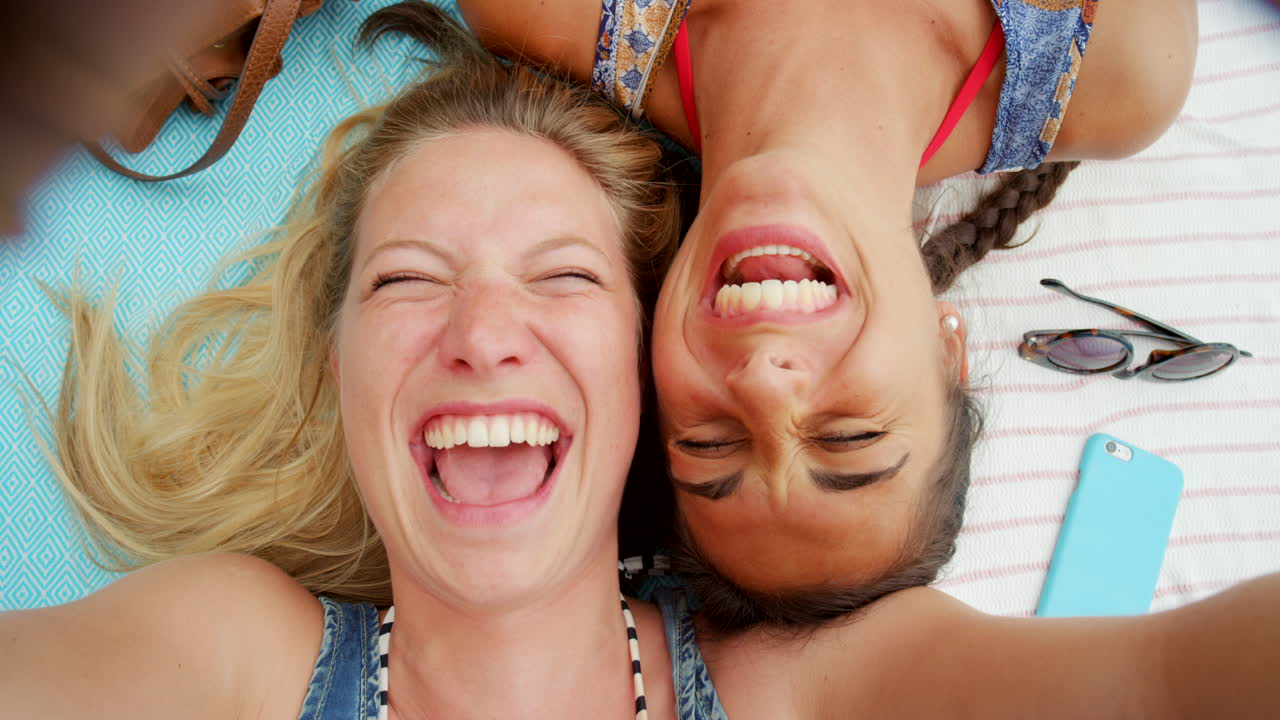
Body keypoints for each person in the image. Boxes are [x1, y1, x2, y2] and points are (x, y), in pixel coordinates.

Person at [3, 5, 1279, 719]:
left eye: (711, 442)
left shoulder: (225, 661)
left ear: (645, 363)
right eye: (405, 279)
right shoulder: (1106, 66)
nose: (769, 384)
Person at [455, 0, 1200, 628]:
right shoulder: (1124, 70)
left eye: (711, 441)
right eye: (849, 436)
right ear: (949, 350)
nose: (764, 384)